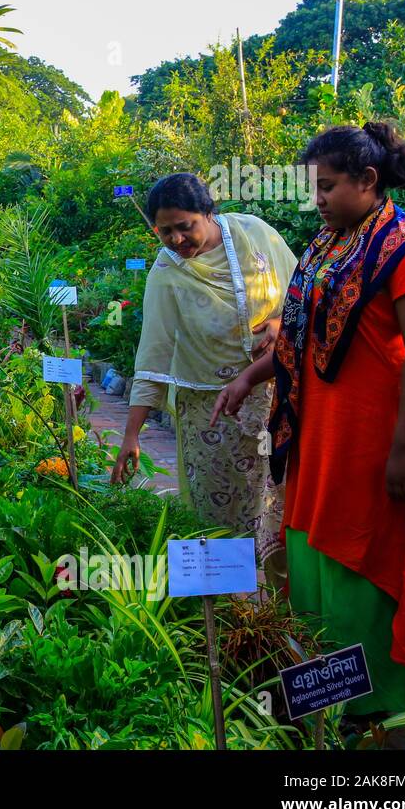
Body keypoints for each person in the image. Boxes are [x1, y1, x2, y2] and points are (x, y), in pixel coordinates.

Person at [212, 122, 405, 720]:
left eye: (326, 187)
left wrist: (404, 449)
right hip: (318, 438)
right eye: (312, 188)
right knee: (314, 555)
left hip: (377, 441)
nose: (317, 199)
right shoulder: (329, 245)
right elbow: (304, 337)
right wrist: (252, 375)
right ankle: (324, 702)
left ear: (368, 181)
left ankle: (375, 710)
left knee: (367, 558)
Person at [111, 173, 297, 587]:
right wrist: (131, 436)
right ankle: (221, 624)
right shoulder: (166, 272)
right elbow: (153, 356)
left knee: (278, 511)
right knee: (215, 520)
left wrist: (280, 322)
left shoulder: (255, 236)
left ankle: (281, 622)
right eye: (165, 231)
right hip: (209, 417)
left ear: (209, 214)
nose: (176, 239)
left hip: (273, 402)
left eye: (185, 226)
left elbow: (304, 299)